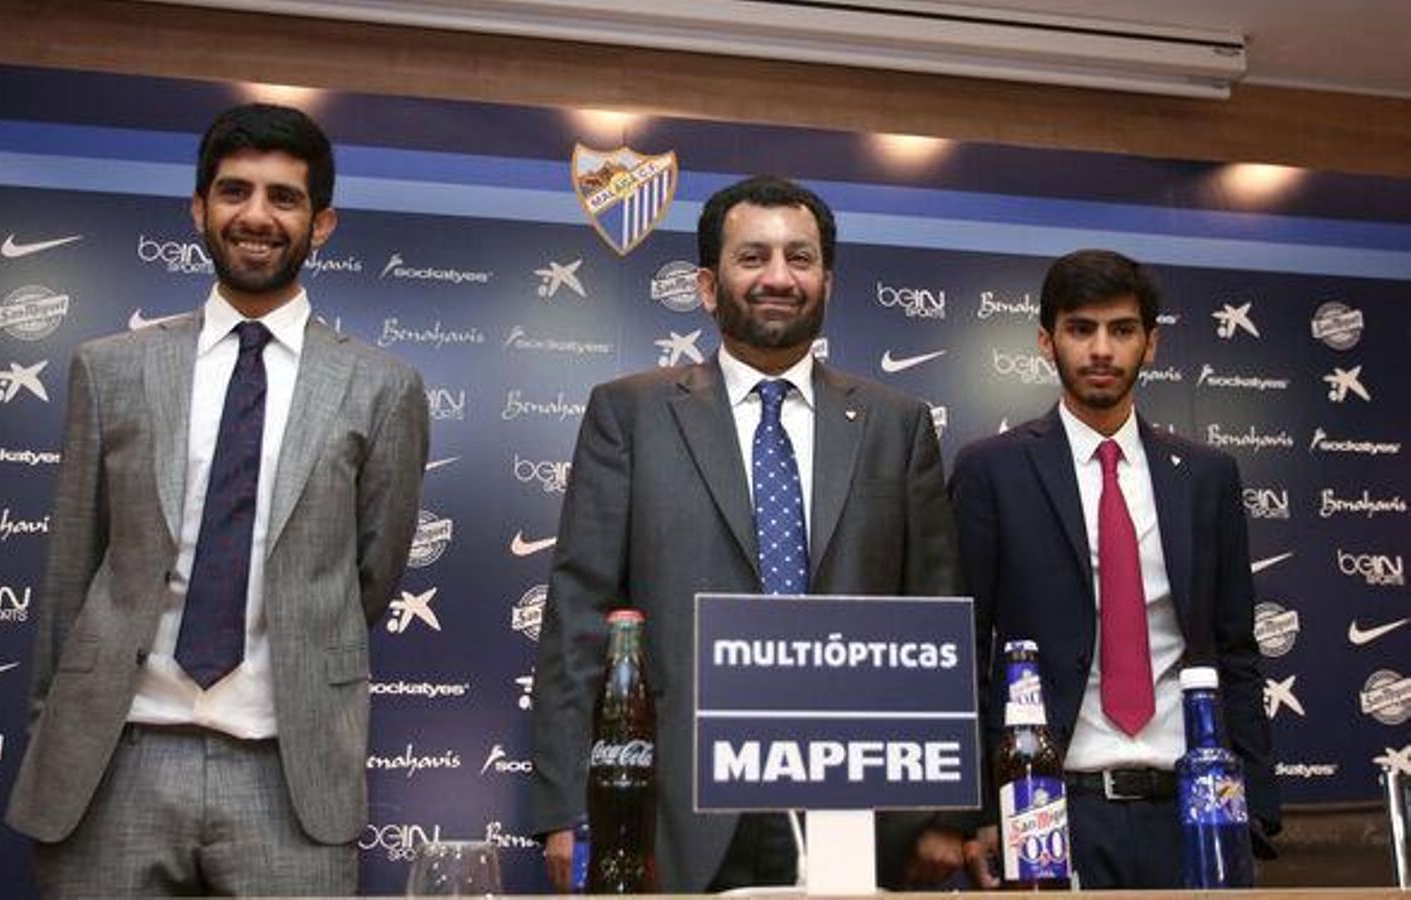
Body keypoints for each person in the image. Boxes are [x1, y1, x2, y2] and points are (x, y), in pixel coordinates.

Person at [5, 103, 430, 896]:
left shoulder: (383, 388)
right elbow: (70, 575)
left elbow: (368, 578)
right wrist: (53, 739)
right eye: (235, 192)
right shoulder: (111, 368)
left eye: (285, 197)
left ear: (322, 223)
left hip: (286, 768)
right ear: (199, 210)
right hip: (115, 759)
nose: (257, 216)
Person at [529, 175, 966, 892]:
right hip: (676, 805)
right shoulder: (629, 415)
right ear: (707, 285)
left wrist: (948, 812)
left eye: (800, 258)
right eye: (752, 257)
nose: (778, 277)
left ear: (827, 280)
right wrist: (565, 806)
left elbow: (938, 614)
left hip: (858, 803)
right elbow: (579, 616)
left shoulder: (898, 424)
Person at [949, 249, 1279, 888]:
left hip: (1196, 807)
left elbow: (1237, 650)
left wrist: (1257, 811)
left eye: (1122, 330)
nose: (1101, 349)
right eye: (1081, 328)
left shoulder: (1208, 477)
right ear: (1047, 341)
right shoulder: (993, 471)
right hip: (1047, 807)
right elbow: (965, 649)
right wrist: (979, 814)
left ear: (1150, 344)